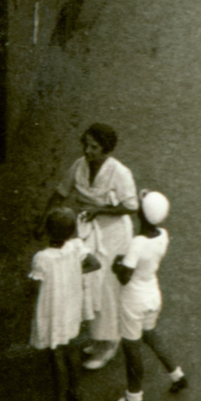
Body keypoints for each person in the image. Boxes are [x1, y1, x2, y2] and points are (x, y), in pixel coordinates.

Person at [53, 123, 138, 371]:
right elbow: (61, 192)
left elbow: (131, 206)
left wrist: (99, 209)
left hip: (114, 235)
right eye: (85, 145)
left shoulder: (120, 173)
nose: (88, 151)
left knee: (106, 287)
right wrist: (45, 218)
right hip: (88, 232)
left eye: (94, 147)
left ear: (106, 150)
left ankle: (108, 343)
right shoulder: (79, 166)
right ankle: (99, 337)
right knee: (89, 284)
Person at [108, 192, 186, 401]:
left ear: (141, 215)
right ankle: (176, 375)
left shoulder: (137, 243)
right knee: (151, 335)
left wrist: (117, 264)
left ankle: (134, 398)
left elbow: (124, 277)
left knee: (132, 349)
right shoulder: (163, 234)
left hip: (134, 300)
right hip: (152, 294)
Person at [29, 208, 101, 401]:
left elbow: (34, 288)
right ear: (71, 232)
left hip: (53, 311)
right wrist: (74, 273)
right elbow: (95, 263)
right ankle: (75, 391)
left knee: (56, 355)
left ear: (49, 231)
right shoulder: (77, 247)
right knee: (72, 349)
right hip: (72, 306)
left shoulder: (41, 258)